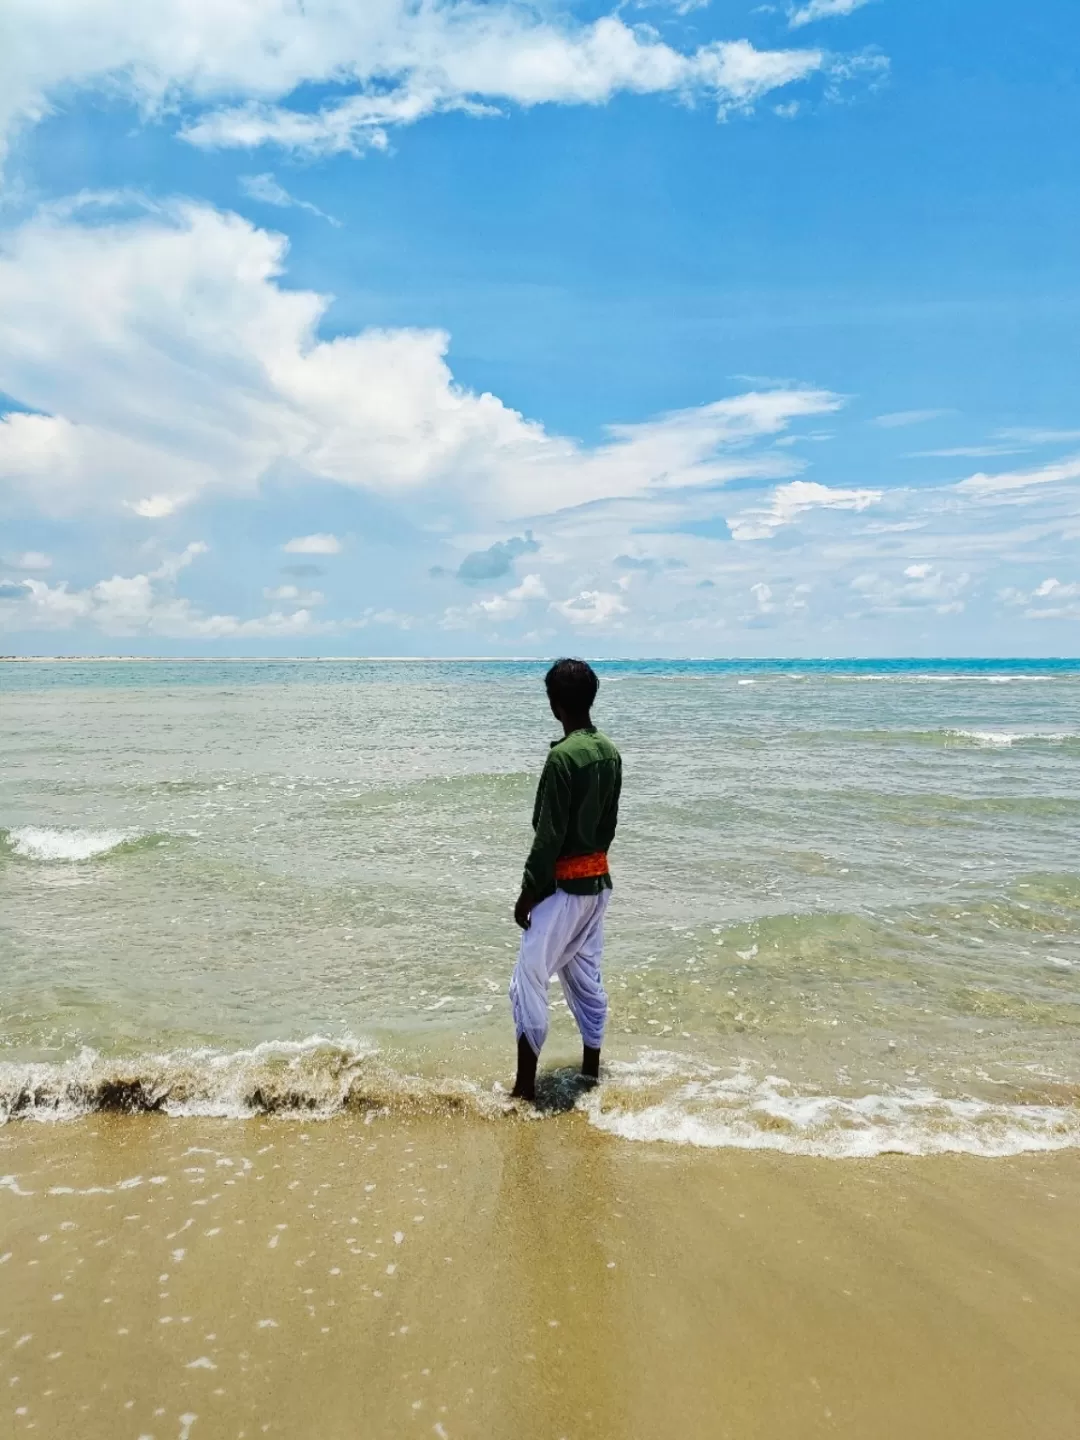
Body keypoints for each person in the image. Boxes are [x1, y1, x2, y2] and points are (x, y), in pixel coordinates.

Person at [508, 658, 622, 1103]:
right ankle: (590, 1071)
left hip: (564, 890)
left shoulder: (562, 757)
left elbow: (548, 836)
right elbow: (608, 826)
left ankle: (523, 1090)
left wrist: (527, 894)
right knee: (584, 976)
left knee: (527, 981)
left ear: (555, 704)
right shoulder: (609, 751)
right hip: (598, 884)